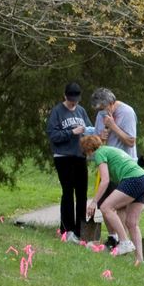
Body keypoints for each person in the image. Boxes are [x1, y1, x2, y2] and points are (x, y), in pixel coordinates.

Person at [82, 131, 144, 261]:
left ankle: (124, 242)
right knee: (131, 223)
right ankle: (140, 260)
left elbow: (105, 180)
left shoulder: (99, 153)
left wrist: (94, 202)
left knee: (106, 207)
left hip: (133, 179)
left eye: (86, 153)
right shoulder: (109, 150)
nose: (87, 157)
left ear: (89, 150)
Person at [47, 82, 93, 241]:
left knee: (82, 193)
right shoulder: (57, 112)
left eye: (76, 99)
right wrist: (72, 132)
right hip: (63, 157)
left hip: (80, 156)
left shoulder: (81, 111)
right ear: (65, 96)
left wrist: (91, 134)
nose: (74, 102)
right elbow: (53, 136)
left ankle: (81, 230)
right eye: (71, 99)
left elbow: (88, 128)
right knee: (68, 192)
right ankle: (67, 229)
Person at [92, 87, 141, 164]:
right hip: (109, 163)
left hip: (126, 164)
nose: (100, 112)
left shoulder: (127, 112)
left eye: (102, 109)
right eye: (98, 110)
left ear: (111, 103)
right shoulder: (100, 114)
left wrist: (113, 126)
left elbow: (131, 142)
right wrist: (100, 138)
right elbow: (95, 142)